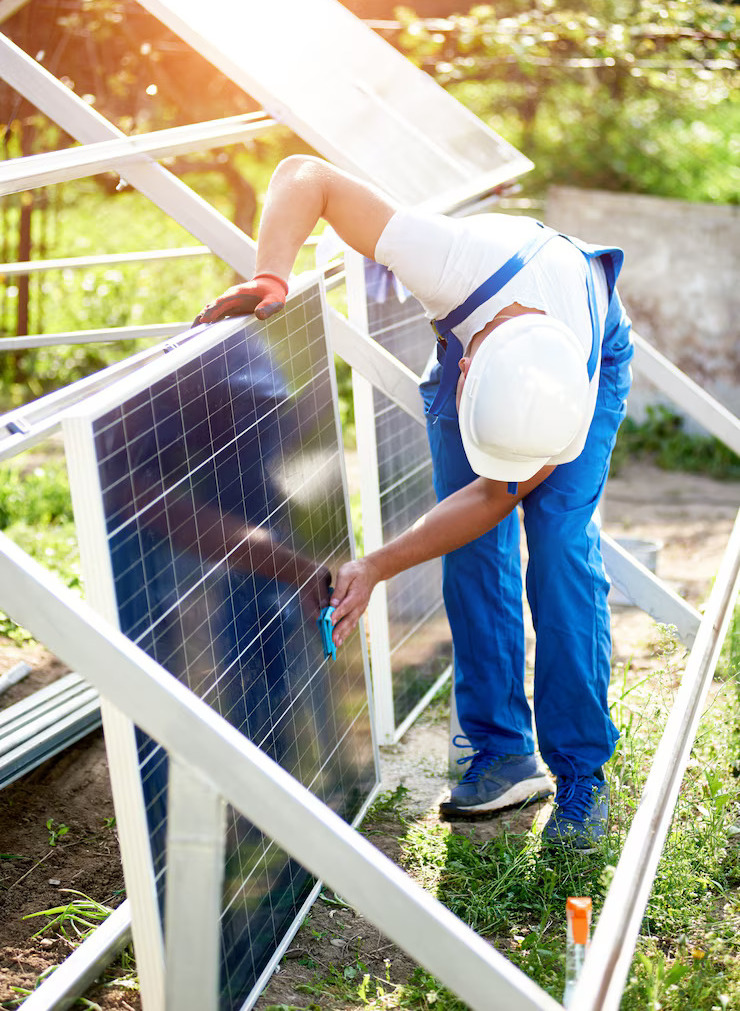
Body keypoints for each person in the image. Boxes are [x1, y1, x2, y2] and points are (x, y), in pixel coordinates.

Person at [194, 154, 633, 851]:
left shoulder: (564, 405)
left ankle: (583, 774)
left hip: (586, 347)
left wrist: (377, 562)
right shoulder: (445, 258)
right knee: (471, 554)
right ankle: (501, 753)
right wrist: (272, 272)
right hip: (496, 306)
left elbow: (494, 495)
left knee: (558, 555)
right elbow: (309, 175)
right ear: (464, 365)